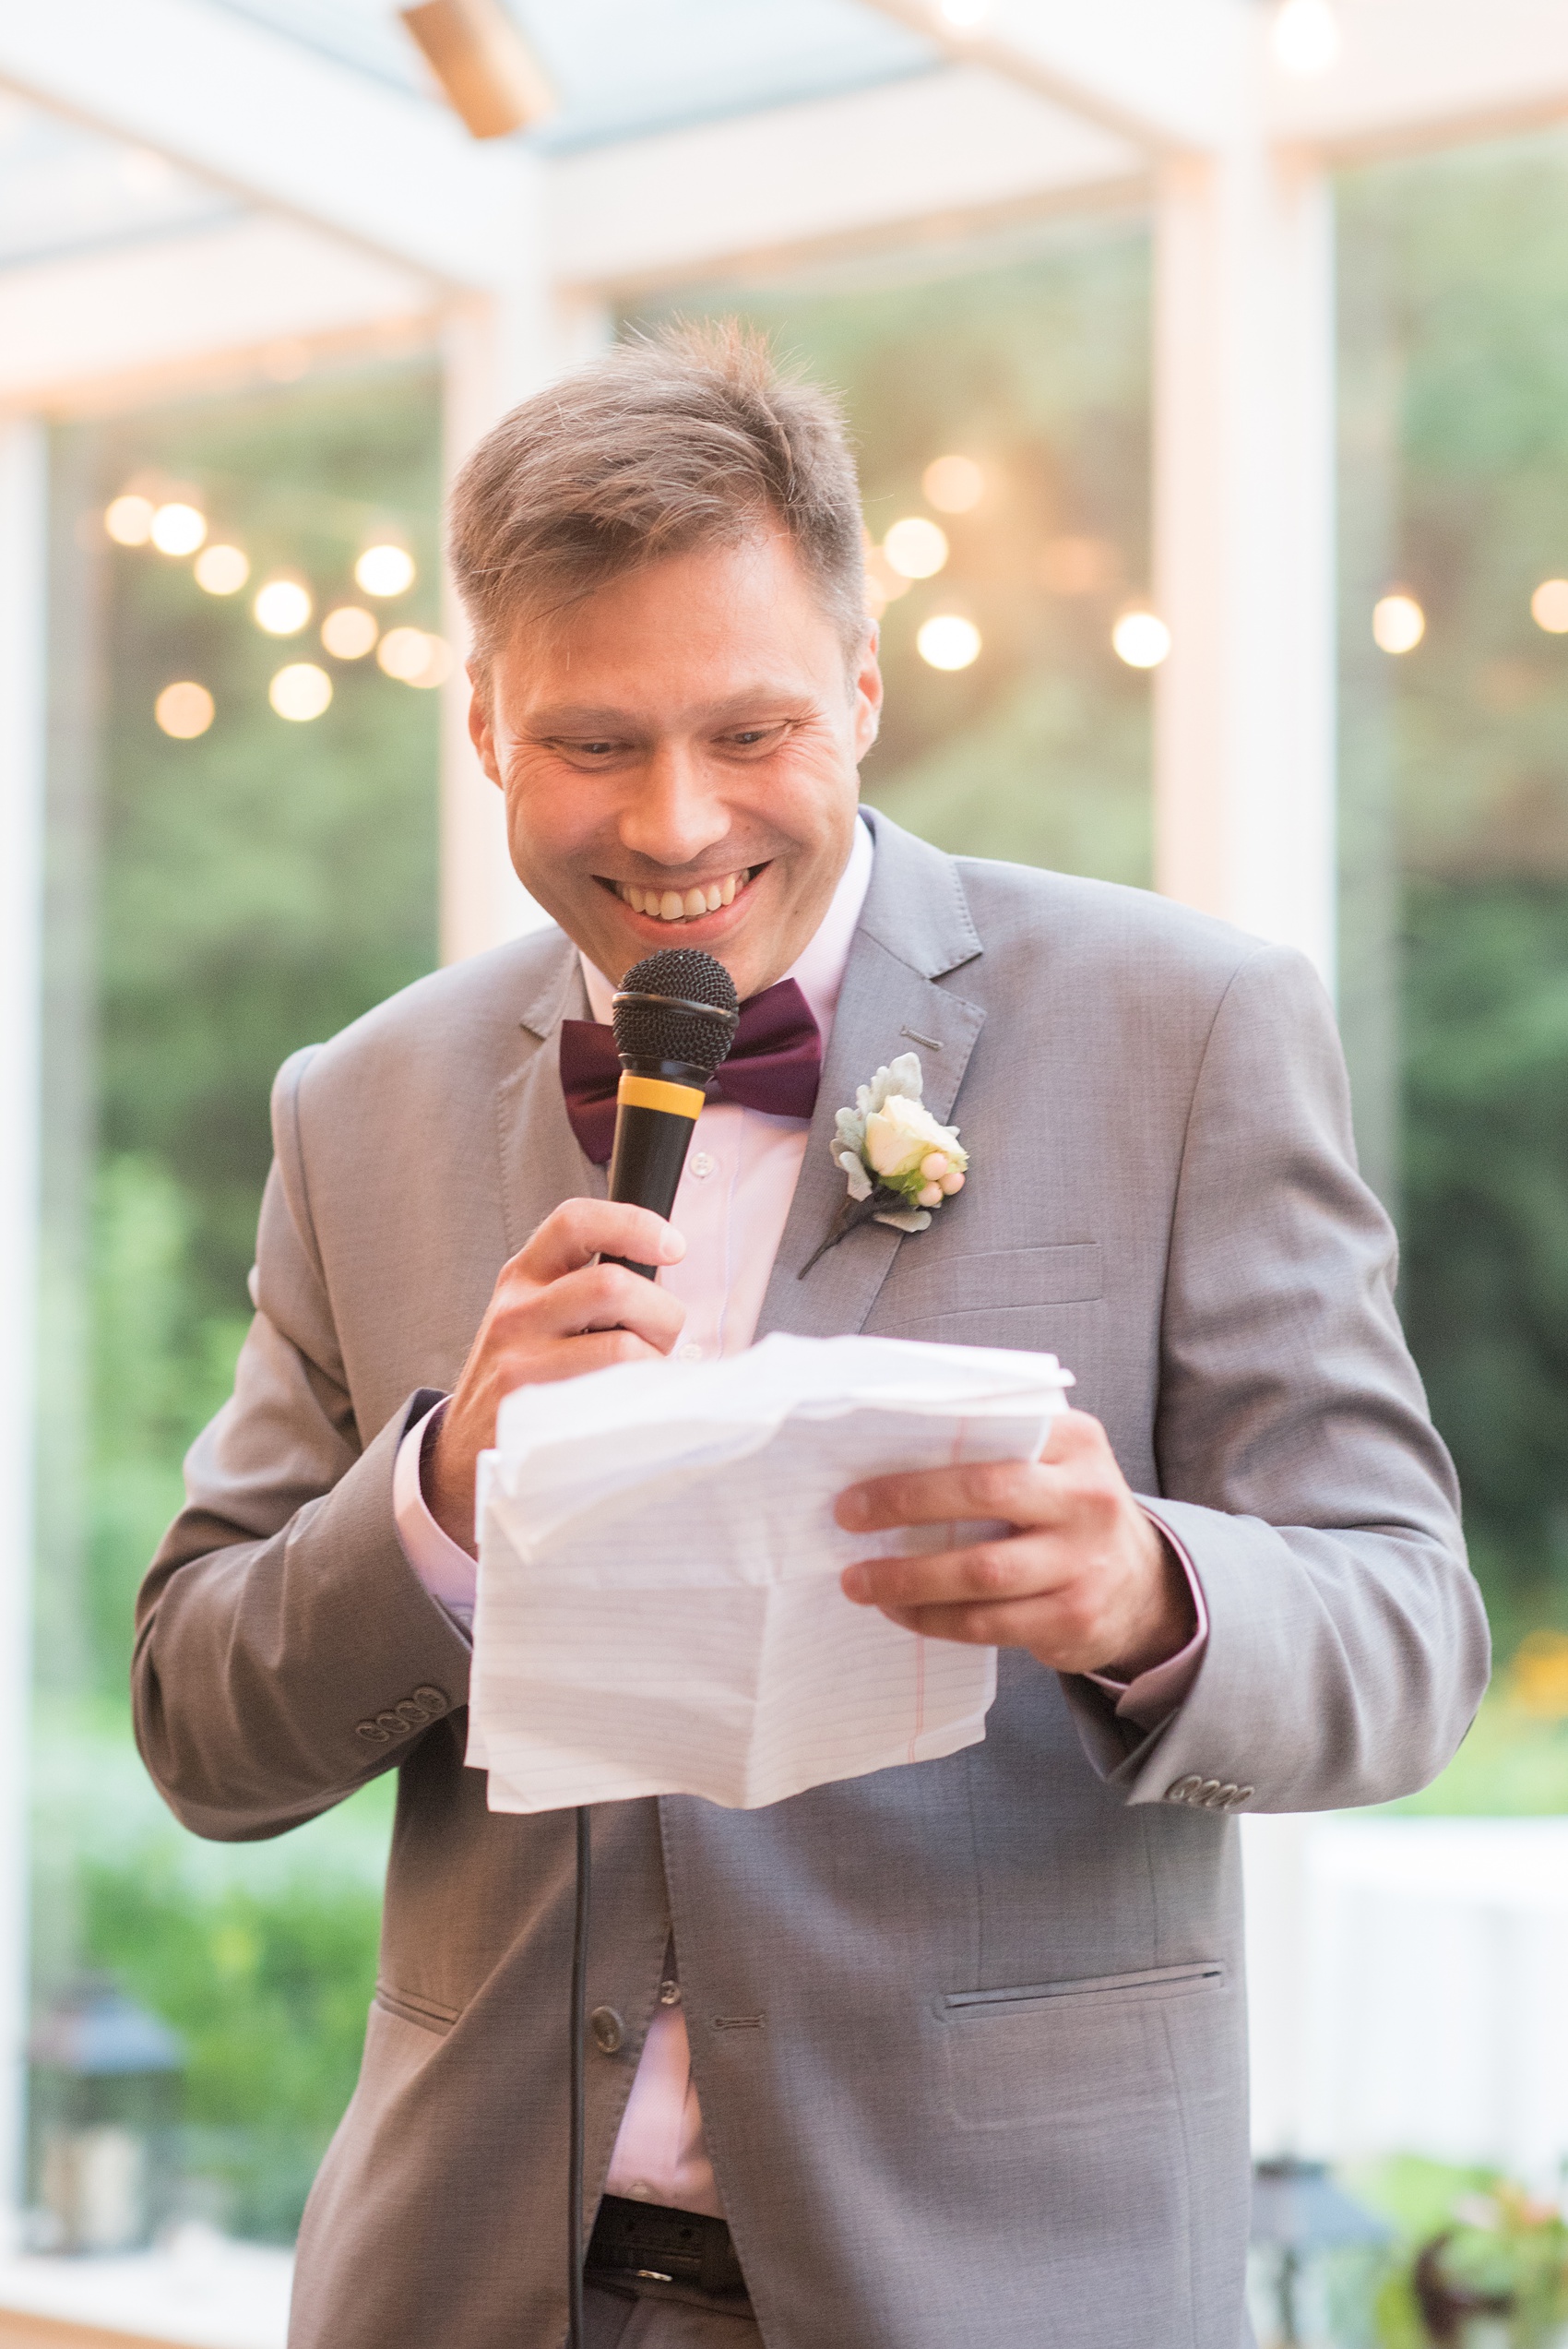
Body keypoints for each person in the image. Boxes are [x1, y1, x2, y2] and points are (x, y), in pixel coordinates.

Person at [133, 322, 1488, 2349]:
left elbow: (1407, 1635)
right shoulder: (361, 1103)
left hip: (1003, 2293)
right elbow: (198, 1725)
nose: (677, 823)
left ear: (861, 688)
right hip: (469, 2295)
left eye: (749, 729)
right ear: (486, 727)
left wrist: (1147, 1588)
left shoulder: (1187, 1028)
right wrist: (427, 1500)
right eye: (593, 742)